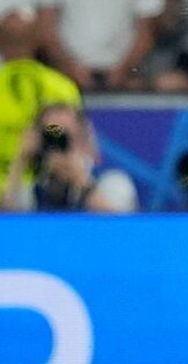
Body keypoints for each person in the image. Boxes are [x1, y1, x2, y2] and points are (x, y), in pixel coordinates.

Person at [0, 1, 81, 204]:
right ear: (37, 39)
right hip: (27, 186)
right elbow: (63, 131)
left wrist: (39, 132)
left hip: (45, 181)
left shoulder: (59, 87)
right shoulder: (61, 86)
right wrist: (46, 130)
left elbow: (65, 133)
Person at [4, 104, 139, 212]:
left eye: (66, 138)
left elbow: (121, 225)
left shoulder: (112, 182)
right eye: (52, 138)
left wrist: (82, 182)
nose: (59, 148)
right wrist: (21, 160)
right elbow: (8, 218)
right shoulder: (34, 192)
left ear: (84, 139)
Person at [38, 0, 163, 91]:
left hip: (125, 76)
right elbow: (46, 26)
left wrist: (123, 70)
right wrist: (69, 66)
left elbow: (146, 31)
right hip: (65, 75)